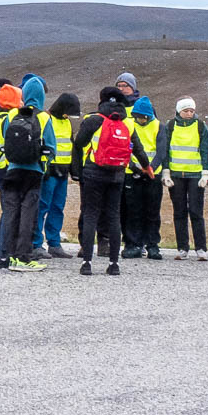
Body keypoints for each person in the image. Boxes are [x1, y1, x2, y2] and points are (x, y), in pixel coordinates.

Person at [72, 86, 143, 277]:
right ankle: (113, 264)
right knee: (113, 216)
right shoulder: (127, 123)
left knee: (90, 215)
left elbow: (78, 144)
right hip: (117, 175)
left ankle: (87, 262)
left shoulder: (94, 120)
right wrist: (147, 167)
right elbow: (138, 149)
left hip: (93, 174)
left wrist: (77, 172)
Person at [0, 75, 56, 272]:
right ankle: (24, 257)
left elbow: (4, 142)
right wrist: (42, 166)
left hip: (12, 171)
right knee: (29, 214)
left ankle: (8, 255)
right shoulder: (44, 117)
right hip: (33, 172)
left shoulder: (12, 114)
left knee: (11, 213)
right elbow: (51, 147)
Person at [159, 96, 208, 259]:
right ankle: (182, 248)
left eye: (191, 111)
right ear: (179, 111)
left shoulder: (200, 126)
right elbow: (165, 150)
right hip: (176, 175)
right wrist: (166, 171)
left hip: (195, 175)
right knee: (179, 212)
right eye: (186, 111)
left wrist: (206, 172)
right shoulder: (170, 126)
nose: (189, 113)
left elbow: (205, 149)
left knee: (196, 211)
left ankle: (201, 248)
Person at [36, 92, 81, 258]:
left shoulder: (67, 122)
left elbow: (69, 145)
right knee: (42, 207)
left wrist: (72, 170)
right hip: (49, 171)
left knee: (57, 208)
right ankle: (36, 243)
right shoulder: (46, 119)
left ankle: (54, 244)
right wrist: (45, 167)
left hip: (63, 171)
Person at [122, 97, 166, 259]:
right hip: (132, 173)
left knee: (152, 211)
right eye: (137, 116)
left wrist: (150, 168)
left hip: (153, 174)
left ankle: (152, 244)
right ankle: (134, 244)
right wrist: (136, 168)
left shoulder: (159, 126)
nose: (140, 120)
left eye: (143, 116)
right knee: (134, 211)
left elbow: (161, 151)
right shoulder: (129, 125)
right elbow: (125, 149)